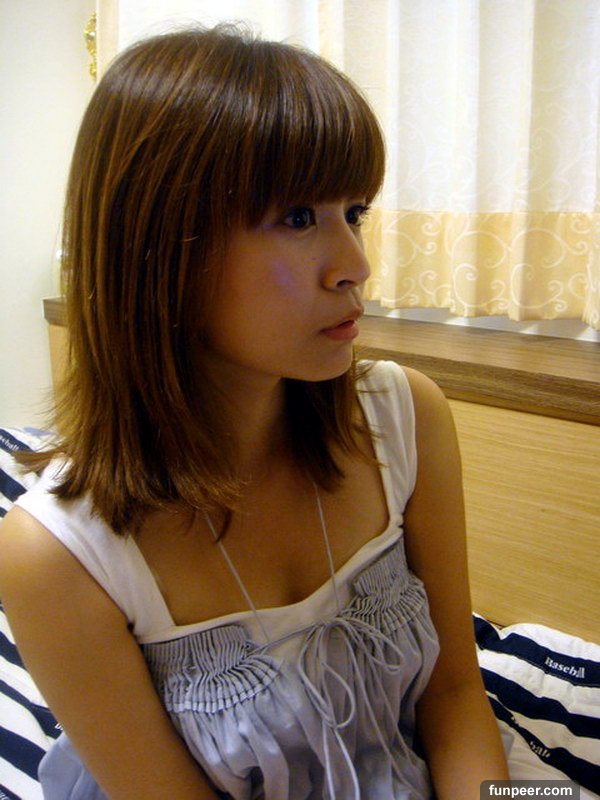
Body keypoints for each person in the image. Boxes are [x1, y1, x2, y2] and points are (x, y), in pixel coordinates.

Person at [0, 24, 509, 800]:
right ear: (161, 248)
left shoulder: (405, 417)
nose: (356, 266)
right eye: (299, 218)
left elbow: (454, 693)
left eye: (354, 212)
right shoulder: (55, 556)